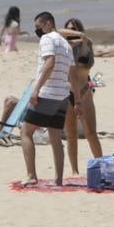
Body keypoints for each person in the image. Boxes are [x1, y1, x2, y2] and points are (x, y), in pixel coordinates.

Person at [20, 11, 74, 186]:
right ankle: (58, 179)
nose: (37, 31)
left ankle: (31, 175)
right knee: (55, 138)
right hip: (62, 96)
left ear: (49, 23)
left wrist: (36, 90)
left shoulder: (47, 39)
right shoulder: (66, 44)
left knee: (26, 132)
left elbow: (49, 64)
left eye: (39, 26)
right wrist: (77, 100)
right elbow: (71, 74)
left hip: (48, 93)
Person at [57, 18, 102, 174]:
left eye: (74, 28)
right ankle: (75, 171)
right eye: (69, 29)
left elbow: (84, 63)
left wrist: (82, 38)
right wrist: (77, 35)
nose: (71, 32)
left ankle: (100, 165)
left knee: (91, 133)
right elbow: (56, 32)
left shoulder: (86, 45)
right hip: (67, 93)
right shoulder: (63, 46)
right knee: (71, 135)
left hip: (84, 92)